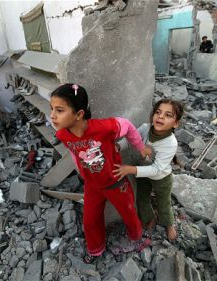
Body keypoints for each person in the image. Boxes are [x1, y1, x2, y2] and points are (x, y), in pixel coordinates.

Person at [50, 83, 151, 264]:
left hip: (115, 182)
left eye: (59, 110)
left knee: (128, 212)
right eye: (52, 109)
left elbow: (127, 126)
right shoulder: (63, 135)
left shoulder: (103, 128)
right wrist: (81, 171)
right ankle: (96, 249)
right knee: (90, 220)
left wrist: (141, 148)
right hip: (92, 185)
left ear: (79, 114)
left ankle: (136, 239)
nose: (52, 116)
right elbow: (74, 152)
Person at [113, 98, 184, 241]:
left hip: (161, 178)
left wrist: (130, 169)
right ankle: (149, 218)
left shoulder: (170, 143)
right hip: (143, 173)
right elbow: (131, 139)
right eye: (158, 112)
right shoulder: (145, 128)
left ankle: (168, 224)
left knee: (163, 202)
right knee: (142, 199)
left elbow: (157, 170)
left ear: (175, 124)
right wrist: (119, 146)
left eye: (168, 115)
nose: (161, 116)